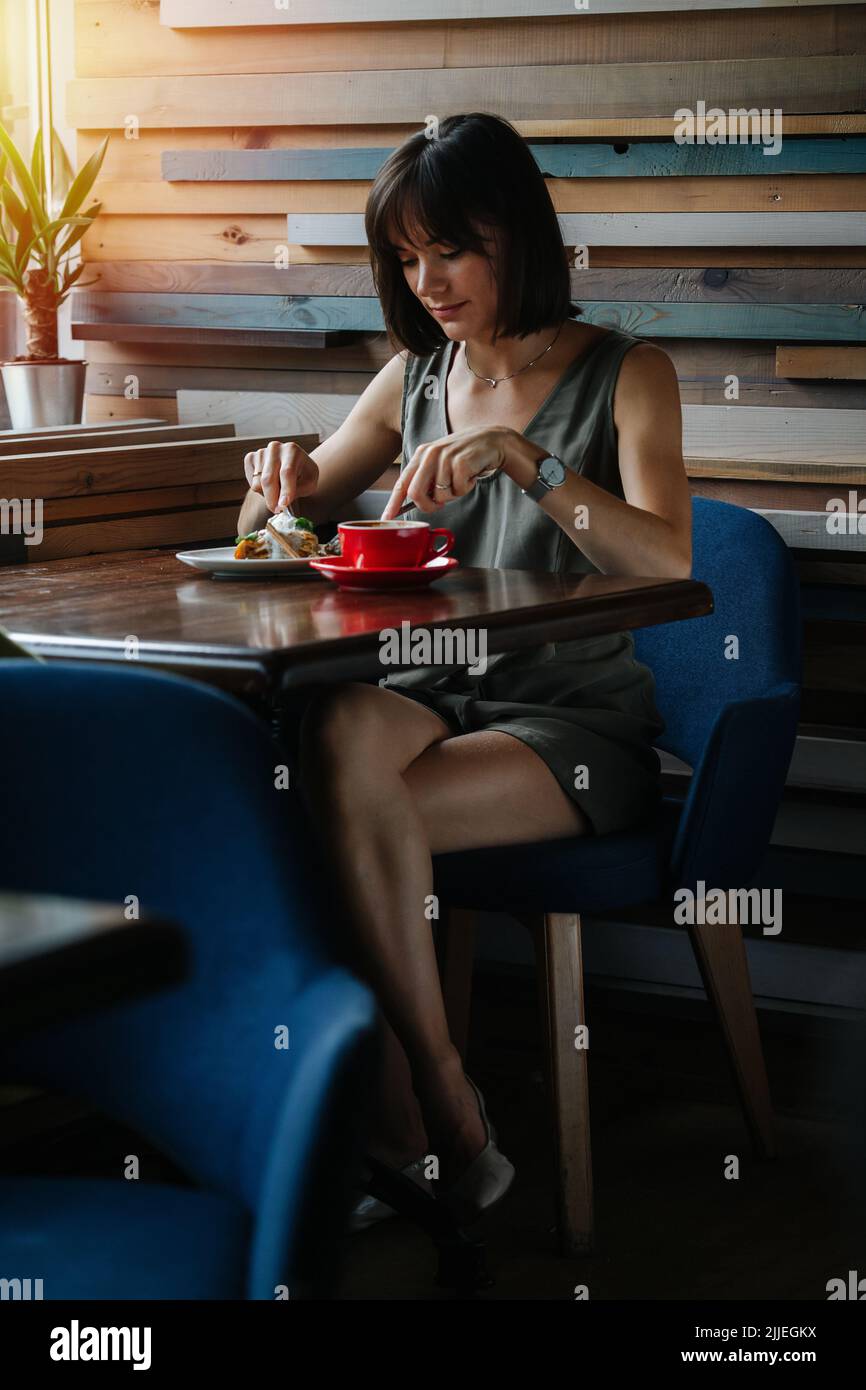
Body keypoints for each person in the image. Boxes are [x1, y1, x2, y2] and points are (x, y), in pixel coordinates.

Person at [238, 112, 691, 1227]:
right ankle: (439, 1100)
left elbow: (670, 559)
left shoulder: (629, 373)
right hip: (428, 697)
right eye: (404, 256)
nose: (426, 280)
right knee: (334, 729)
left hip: (571, 725)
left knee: (322, 827)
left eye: (450, 248)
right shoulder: (412, 380)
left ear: (514, 236)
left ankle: (412, 1125)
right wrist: (275, 480)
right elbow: (275, 526)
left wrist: (524, 462)